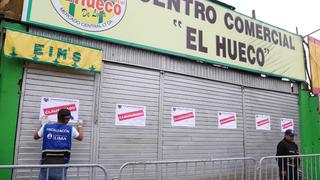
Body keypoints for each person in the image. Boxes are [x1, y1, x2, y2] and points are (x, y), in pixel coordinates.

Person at [34, 109, 83, 180]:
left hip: (46, 162)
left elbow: (35, 137)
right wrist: (80, 126)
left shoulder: (46, 127)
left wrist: (43, 125)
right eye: (69, 118)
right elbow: (80, 137)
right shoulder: (70, 129)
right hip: (62, 163)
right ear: (66, 119)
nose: (69, 120)